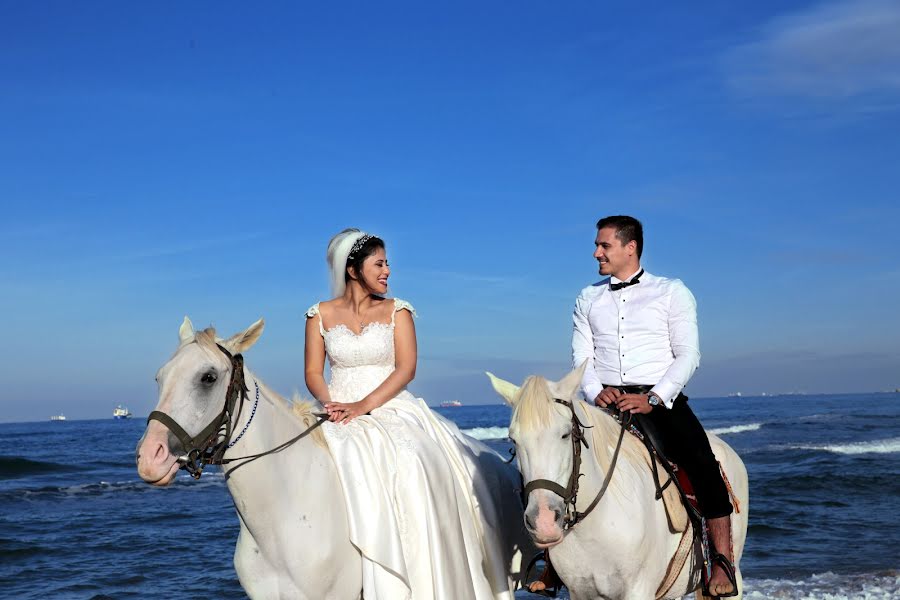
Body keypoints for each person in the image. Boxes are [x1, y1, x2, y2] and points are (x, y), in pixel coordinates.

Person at [304, 228, 512, 600]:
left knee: (415, 460)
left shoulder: (397, 310)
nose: (387, 271)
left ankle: (420, 575)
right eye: (379, 264)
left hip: (388, 403)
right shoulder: (318, 314)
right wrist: (330, 403)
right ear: (353, 270)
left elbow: (406, 369)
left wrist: (362, 407)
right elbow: (313, 372)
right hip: (336, 406)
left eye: (387, 264)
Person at [571, 215, 738, 597]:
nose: (596, 252)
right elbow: (582, 355)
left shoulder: (671, 292)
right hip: (604, 398)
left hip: (659, 399)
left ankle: (722, 564)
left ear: (630, 247)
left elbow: (687, 354)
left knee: (701, 462)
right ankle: (551, 562)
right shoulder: (587, 298)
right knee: (558, 458)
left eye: (604, 245)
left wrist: (653, 398)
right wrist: (596, 390)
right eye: (598, 245)